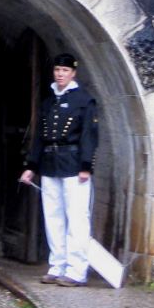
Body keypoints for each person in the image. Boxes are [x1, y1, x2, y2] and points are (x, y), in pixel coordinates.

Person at [20, 52, 99, 287]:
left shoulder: (84, 101)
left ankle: (77, 270)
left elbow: (89, 135)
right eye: (57, 70)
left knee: (76, 218)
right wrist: (31, 166)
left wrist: (86, 166)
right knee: (53, 217)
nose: (60, 74)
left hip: (73, 165)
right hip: (50, 164)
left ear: (73, 73)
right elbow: (40, 138)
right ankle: (57, 265)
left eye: (65, 71)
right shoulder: (48, 101)